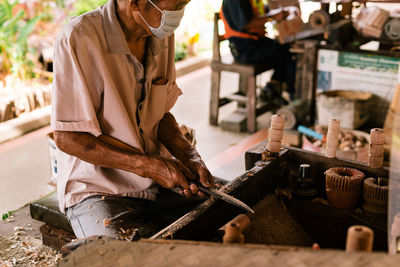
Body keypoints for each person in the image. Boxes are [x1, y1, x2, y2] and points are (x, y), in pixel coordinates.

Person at [51, 0, 214, 240]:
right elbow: (68, 138)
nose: (179, 13)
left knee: (228, 211)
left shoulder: (159, 33)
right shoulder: (79, 38)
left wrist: (189, 156)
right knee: (119, 258)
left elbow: (160, 116)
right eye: (176, 4)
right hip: (98, 188)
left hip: (156, 182)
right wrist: (147, 166)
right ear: (136, 3)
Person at [221, 0, 297, 104]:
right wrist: (274, 17)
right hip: (244, 49)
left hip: (256, 42)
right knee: (284, 52)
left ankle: (273, 86)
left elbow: (261, 11)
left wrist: (279, 12)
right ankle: (291, 95)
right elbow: (245, 24)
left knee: (287, 48)